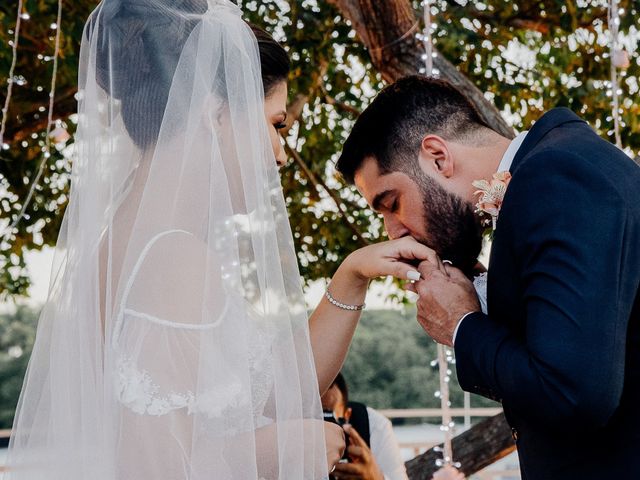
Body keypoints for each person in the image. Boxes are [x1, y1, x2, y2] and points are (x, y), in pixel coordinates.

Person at [7, 1, 433, 478]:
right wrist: (297, 441)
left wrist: (353, 276)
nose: (281, 154)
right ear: (215, 114)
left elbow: (271, 392)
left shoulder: (136, 241)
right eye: (276, 125)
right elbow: (161, 462)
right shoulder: (172, 257)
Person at [334, 75, 640, 479]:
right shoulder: (561, 165)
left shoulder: (555, 176)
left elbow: (573, 394)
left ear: (437, 157)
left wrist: (462, 325)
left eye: (392, 203)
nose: (393, 231)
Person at [321, 373, 408, 480]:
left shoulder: (374, 424)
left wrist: (374, 476)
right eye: (317, 418)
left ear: (347, 415)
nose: (325, 429)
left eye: (331, 418)